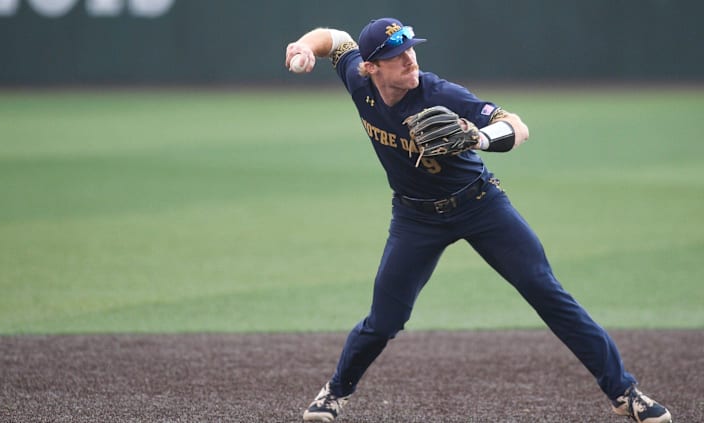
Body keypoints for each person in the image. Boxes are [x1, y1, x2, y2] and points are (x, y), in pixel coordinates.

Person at [284, 17, 672, 423]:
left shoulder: (438, 92)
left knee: (546, 291)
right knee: (384, 321)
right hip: (415, 216)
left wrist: (480, 138)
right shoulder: (358, 81)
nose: (410, 59)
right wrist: (303, 45)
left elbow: (517, 126)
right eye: (397, 55)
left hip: (481, 205)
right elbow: (338, 39)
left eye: (411, 48)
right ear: (371, 67)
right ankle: (335, 392)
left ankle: (625, 393)